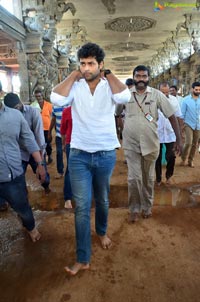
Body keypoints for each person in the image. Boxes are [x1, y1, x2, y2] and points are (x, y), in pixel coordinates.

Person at [50, 42, 131, 275]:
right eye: (83, 64)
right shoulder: (75, 87)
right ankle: (83, 257)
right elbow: (56, 98)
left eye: (91, 64)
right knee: (82, 207)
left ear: (100, 64)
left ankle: (102, 231)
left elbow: (125, 96)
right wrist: (73, 75)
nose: (86, 68)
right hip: (78, 155)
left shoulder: (109, 86)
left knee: (103, 199)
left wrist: (109, 74)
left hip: (105, 153)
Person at [116, 65, 182, 223]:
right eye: (138, 76)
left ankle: (147, 207)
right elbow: (117, 114)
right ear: (134, 77)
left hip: (151, 143)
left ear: (148, 78)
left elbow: (172, 116)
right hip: (131, 144)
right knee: (134, 178)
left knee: (148, 178)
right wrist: (122, 130)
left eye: (144, 76)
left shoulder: (157, 95)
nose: (141, 79)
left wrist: (179, 139)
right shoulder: (125, 95)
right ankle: (134, 209)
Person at [0, 94, 46, 242]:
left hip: (12, 174)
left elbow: (30, 139)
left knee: (22, 206)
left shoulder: (15, 116)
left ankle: (31, 228)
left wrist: (40, 164)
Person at [3, 93, 51, 194]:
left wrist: (40, 161)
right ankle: (22, 196)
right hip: (20, 152)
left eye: (17, 107)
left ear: (20, 102)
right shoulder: (6, 116)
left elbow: (39, 137)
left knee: (43, 177)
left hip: (36, 150)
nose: (16, 111)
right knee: (17, 178)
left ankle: (46, 187)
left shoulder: (33, 112)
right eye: (12, 110)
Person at [155, 83, 183, 185]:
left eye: (167, 92)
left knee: (171, 156)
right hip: (156, 133)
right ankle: (158, 178)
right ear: (158, 91)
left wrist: (179, 135)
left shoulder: (174, 100)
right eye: (163, 92)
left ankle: (168, 176)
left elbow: (179, 116)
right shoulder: (153, 100)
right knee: (156, 157)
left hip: (171, 134)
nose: (165, 94)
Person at [180, 81, 200, 168]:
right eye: (196, 89)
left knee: (195, 144)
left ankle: (190, 161)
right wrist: (182, 126)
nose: (198, 91)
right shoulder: (185, 100)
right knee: (188, 142)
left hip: (198, 124)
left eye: (199, 90)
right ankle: (183, 158)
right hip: (188, 123)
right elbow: (182, 113)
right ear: (192, 89)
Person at [34, 88, 53, 164]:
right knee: (39, 143)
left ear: (42, 96)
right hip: (38, 128)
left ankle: (49, 156)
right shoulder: (34, 106)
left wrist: (52, 129)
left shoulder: (48, 105)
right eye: (37, 96)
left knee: (47, 143)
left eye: (39, 96)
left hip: (47, 128)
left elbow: (53, 116)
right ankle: (42, 158)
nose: (38, 98)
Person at [60, 106, 73, 209]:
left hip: (71, 143)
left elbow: (63, 130)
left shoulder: (67, 110)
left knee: (70, 170)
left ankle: (68, 200)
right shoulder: (88, 108)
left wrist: (64, 144)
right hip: (83, 144)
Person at [48, 105, 66, 179]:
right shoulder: (55, 107)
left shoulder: (70, 104)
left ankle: (71, 172)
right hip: (59, 135)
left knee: (70, 154)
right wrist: (49, 132)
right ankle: (60, 172)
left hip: (70, 136)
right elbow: (53, 119)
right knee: (59, 153)